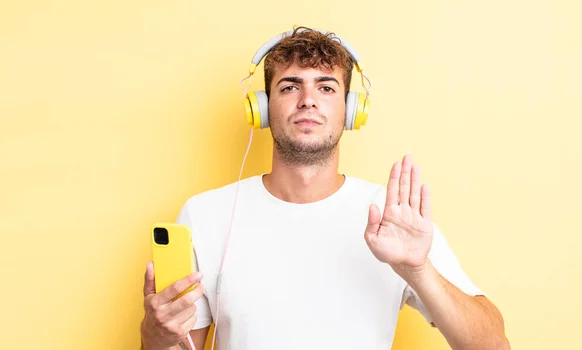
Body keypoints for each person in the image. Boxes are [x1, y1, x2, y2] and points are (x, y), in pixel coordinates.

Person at [140, 27, 510, 350]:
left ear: (351, 110)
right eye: (290, 86)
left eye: (326, 87)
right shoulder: (206, 215)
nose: (308, 99)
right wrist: (156, 339)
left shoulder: (393, 217)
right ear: (263, 108)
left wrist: (418, 270)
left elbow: (493, 346)